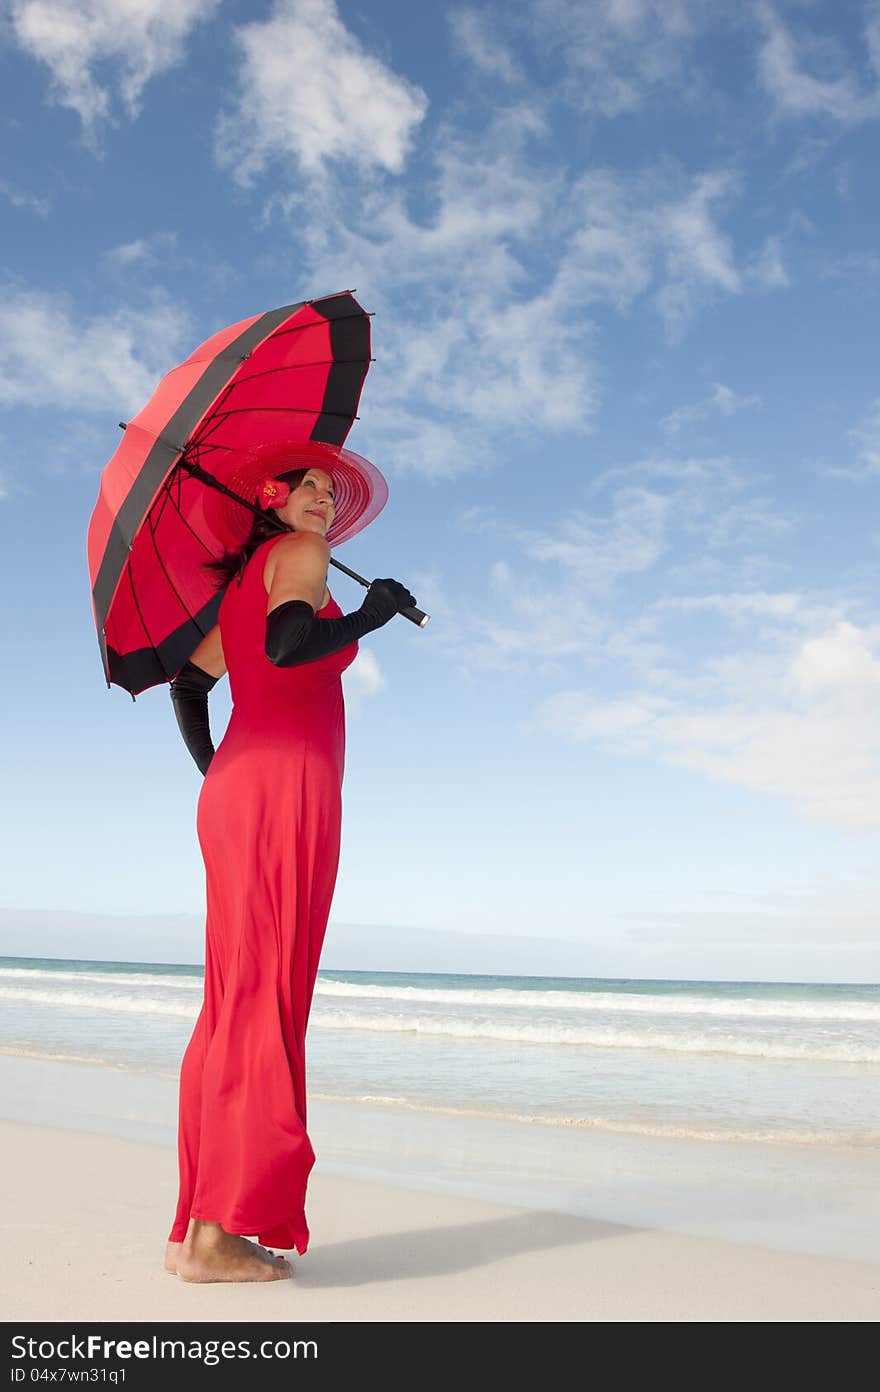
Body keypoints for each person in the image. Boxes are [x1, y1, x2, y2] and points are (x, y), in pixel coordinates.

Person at [163, 443, 415, 1284]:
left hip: (243, 791)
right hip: (285, 791)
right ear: (272, 500)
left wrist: (222, 769)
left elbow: (189, 687)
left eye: (328, 492)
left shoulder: (247, 579)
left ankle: (198, 1223)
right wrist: (372, 617)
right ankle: (217, 1237)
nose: (319, 500)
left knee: (236, 996)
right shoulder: (299, 560)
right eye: (304, 486)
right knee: (265, 994)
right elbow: (294, 641)